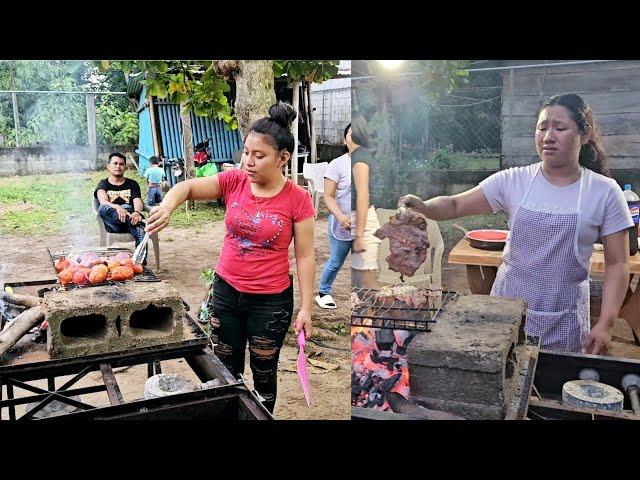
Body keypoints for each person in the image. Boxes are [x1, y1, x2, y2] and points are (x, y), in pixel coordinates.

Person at [400, 93, 632, 355]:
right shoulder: (514, 181)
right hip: (507, 308)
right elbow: (455, 204)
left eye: (560, 128)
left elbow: (618, 264)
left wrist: (606, 323)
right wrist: (425, 207)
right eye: (542, 127)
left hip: (564, 315)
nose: (548, 136)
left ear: (585, 134)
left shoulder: (604, 191)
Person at [145, 102, 315, 413]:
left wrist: (305, 308)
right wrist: (167, 207)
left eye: (258, 155)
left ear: (283, 158)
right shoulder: (234, 181)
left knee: (264, 377)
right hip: (225, 293)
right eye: (246, 152)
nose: (247, 161)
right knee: (224, 372)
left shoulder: (298, 199)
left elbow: (305, 257)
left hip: (270, 302)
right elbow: (185, 187)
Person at [315, 124, 353, 309]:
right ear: (346, 139)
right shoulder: (337, 164)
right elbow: (328, 196)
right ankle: (324, 292)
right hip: (341, 223)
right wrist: (340, 217)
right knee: (336, 260)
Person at [94, 152, 147, 264]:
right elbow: (103, 201)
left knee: (140, 229)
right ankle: (138, 221)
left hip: (131, 222)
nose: (118, 166)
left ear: (125, 167)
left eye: (121, 164)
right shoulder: (103, 184)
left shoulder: (132, 184)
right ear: (109, 166)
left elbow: (137, 200)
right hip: (113, 223)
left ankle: (139, 264)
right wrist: (118, 208)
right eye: (115, 163)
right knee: (103, 208)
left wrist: (137, 212)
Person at [350, 112, 381, 289]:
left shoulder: (360, 156)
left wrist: (359, 235)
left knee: (366, 283)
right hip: (352, 222)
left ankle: (375, 316)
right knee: (355, 282)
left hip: (363, 223)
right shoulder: (351, 155)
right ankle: (365, 317)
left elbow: (363, 194)